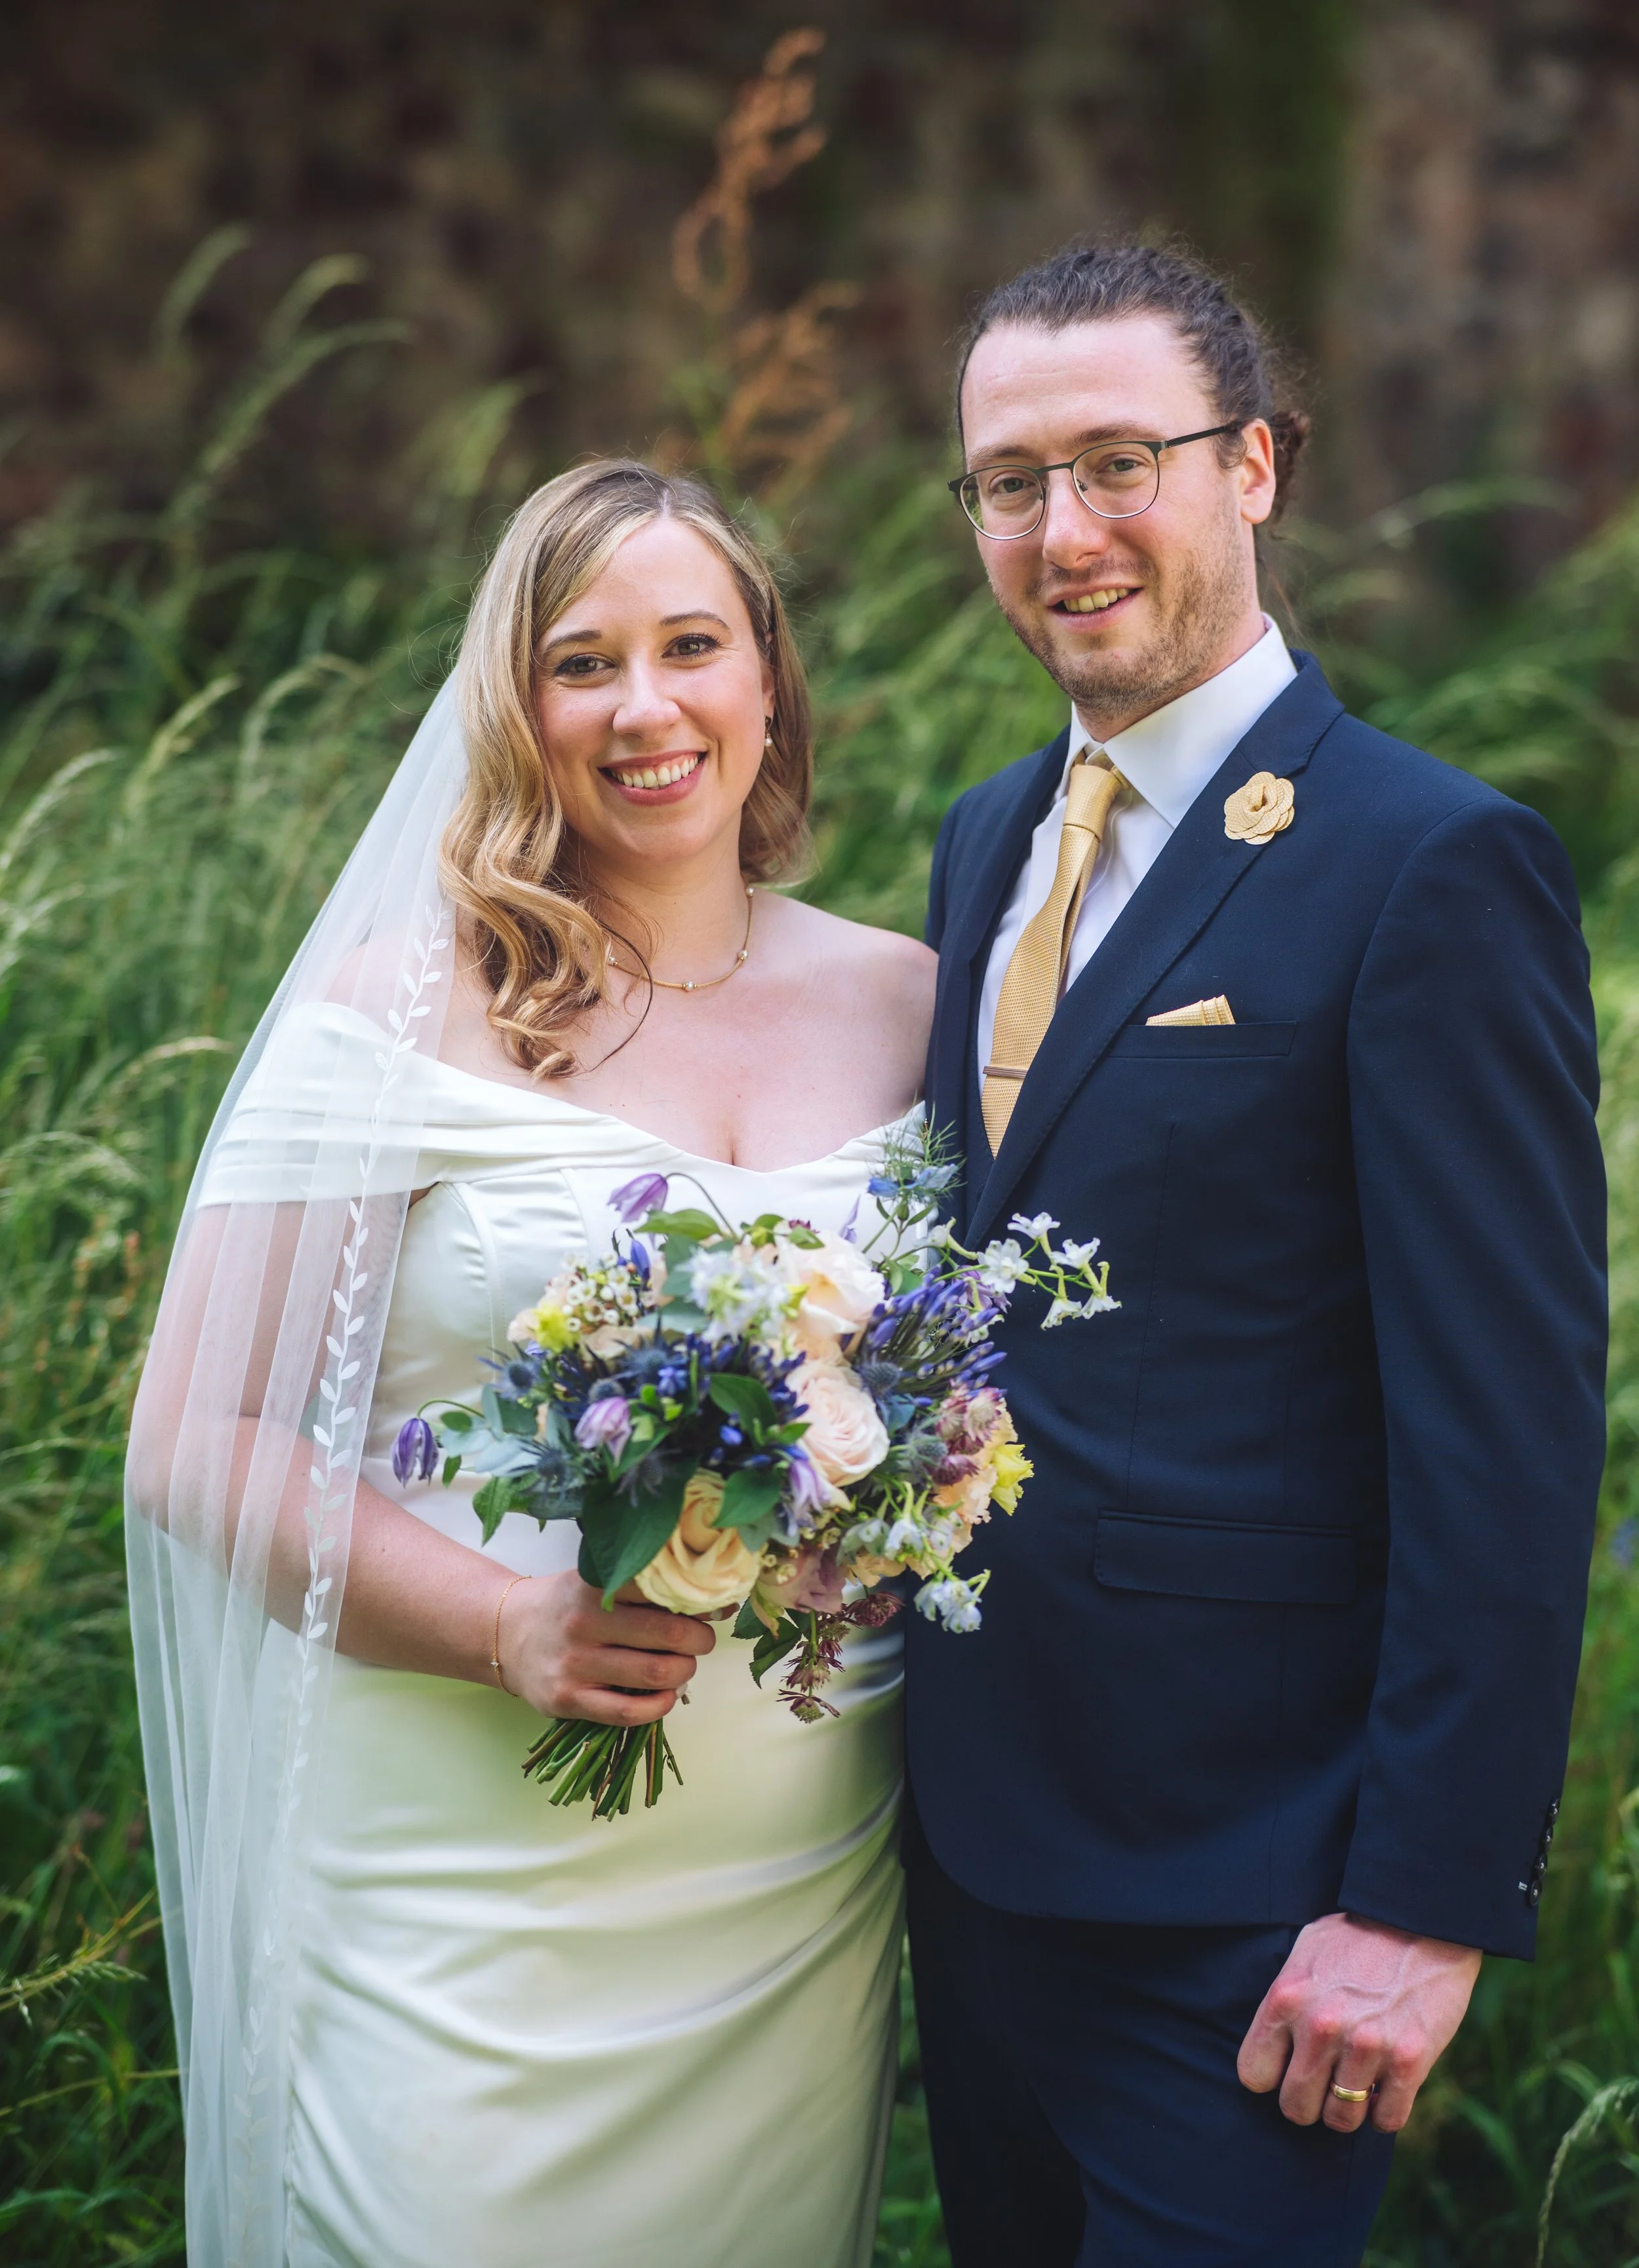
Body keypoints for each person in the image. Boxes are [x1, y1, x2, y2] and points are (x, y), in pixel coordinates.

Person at [126, 460, 934, 2268]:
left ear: (768, 683)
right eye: (585, 664)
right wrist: (506, 1626)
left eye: (692, 647)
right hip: (456, 1879)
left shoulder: (910, 1002)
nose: (645, 710)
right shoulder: (401, 1007)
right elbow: (192, 1441)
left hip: (782, 1883)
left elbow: (952, 1386)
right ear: (519, 710)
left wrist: (892, 1526)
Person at [905, 242, 1607, 2267]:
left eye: (1121, 461)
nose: (1064, 531)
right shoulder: (982, 837)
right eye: (1008, 480)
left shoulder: (1428, 864)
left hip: (1257, 1907)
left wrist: (1421, 1903)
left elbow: (1504, 1431)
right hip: (970, 1856)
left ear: (1257, 470)